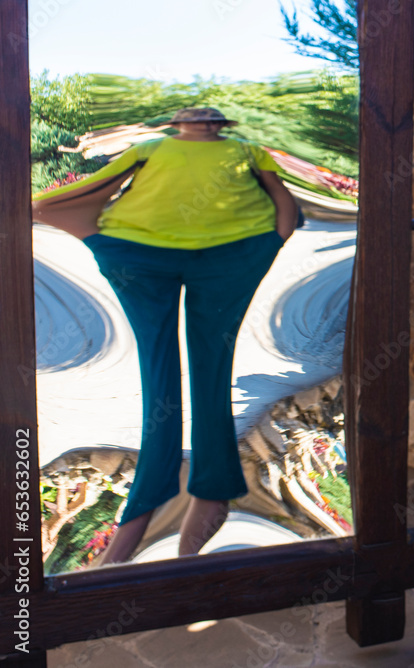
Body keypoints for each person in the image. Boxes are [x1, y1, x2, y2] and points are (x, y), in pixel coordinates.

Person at [32, 107, 300, 564]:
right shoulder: (152, 148)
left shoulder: (242, 151)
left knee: (204, 366)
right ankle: (159, 501)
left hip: (221, 256)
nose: (201, 128)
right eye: (197, 122)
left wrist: (275, 235)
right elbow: (97, 188)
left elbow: (281, 198)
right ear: (184, 125)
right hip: (148, 256)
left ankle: (204, 494)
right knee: (176, 370)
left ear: (214, 126)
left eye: (207, 122)